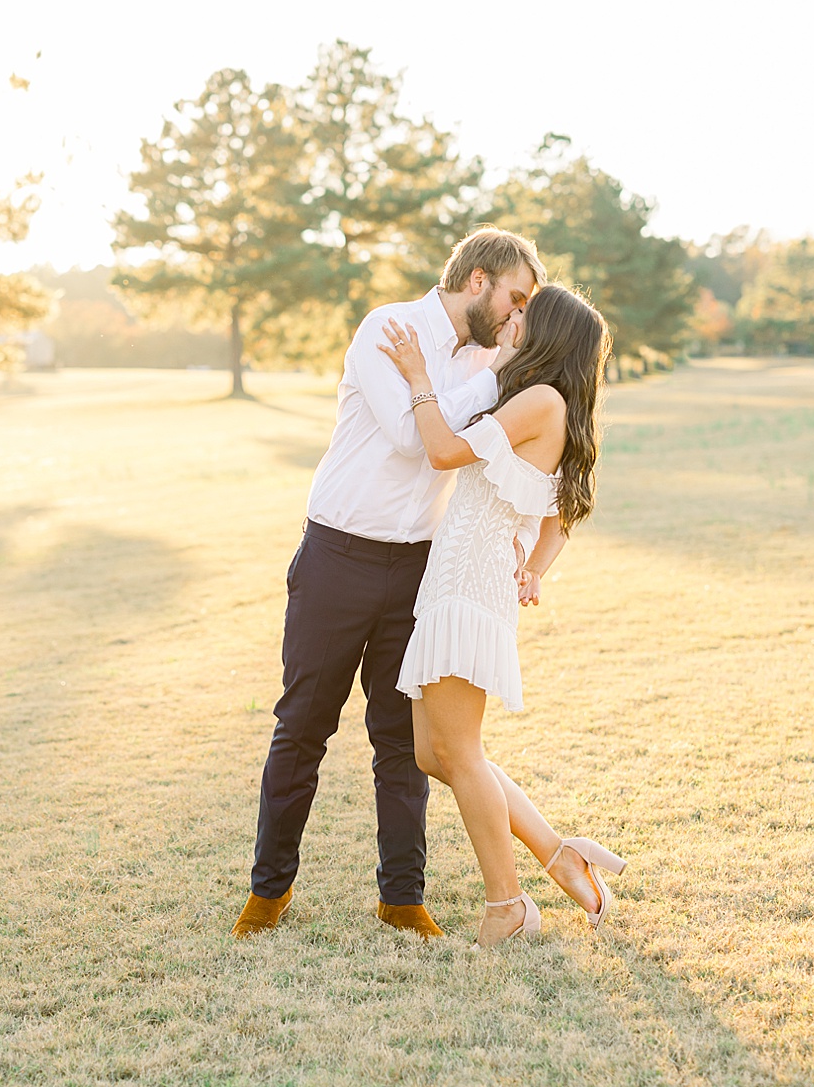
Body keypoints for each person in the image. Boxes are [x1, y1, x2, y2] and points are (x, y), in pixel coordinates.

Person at [233, 227, 546, 940]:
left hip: (417, 567)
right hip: (337, 557)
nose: (517, 316)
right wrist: (491, 376)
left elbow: (502, 450)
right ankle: (269, 890)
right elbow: (415, 441)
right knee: (302, 727)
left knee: (402, 741)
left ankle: (402, 897)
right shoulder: (390, 328)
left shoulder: (490, 358)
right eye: (515, 297)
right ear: (478, 280)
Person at [378, 284, 625, 947]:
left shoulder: (540, 401)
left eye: (524, 312)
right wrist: (535, 565)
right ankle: (558, 853)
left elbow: (443, 451)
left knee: (458, 751)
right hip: (458, 577)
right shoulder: (545, 402)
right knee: (435, 754)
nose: (513, 317)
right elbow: (561, 515)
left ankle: (507, 905)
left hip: (467, 582)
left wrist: (418, 378)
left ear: (545, 333)